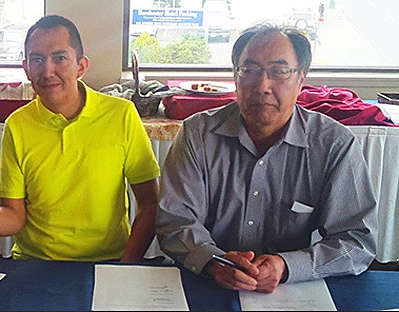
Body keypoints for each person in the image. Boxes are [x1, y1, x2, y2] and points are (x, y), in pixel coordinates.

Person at [156, 22, 377, 293]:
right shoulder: (197, 135)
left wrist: (288, 266)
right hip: (209, 285)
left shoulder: (333, 144)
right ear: (235, 78)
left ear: (300, 79)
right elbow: (175, 221)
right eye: (249, 70)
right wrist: (213, 262)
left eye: (279, 71)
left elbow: (356, 241)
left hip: (293, 291)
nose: (263, 85)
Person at [0, 15, 160, 262]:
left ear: (81, 66)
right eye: (37, 60)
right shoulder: (18, 124)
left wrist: (126, 265)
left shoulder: (121, 115)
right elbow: (14, 214)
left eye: (60, 58)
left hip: (108, 260)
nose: (47, 71)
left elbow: (150, 203)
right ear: (26, 69)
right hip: (35, 263)